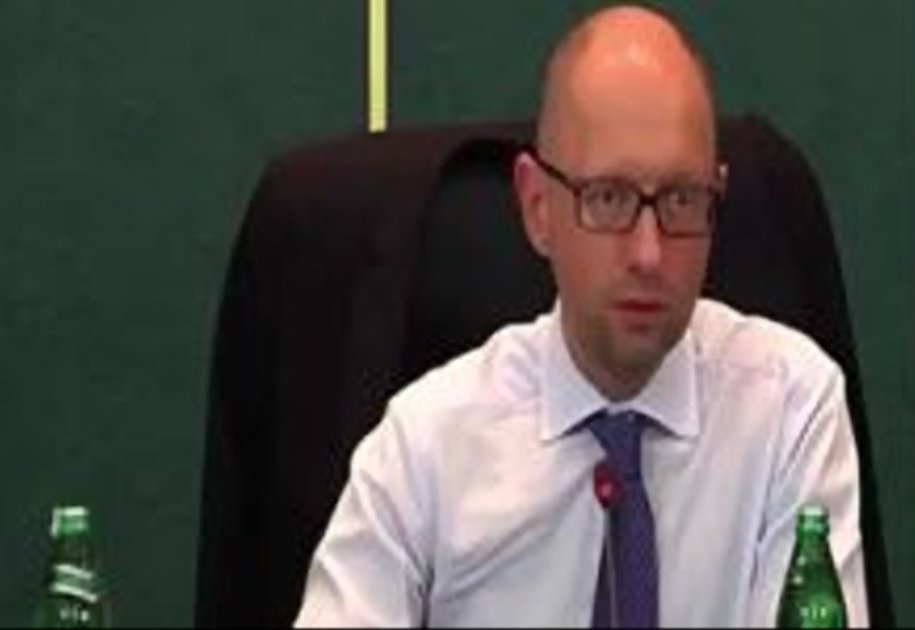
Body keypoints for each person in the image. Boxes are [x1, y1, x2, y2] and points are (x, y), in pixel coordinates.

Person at [295, 5, 868, 627]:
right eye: (609, 197)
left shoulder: (789, 409)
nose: (649, 254)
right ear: (537, 207)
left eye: (682, 199)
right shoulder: (426, 446)